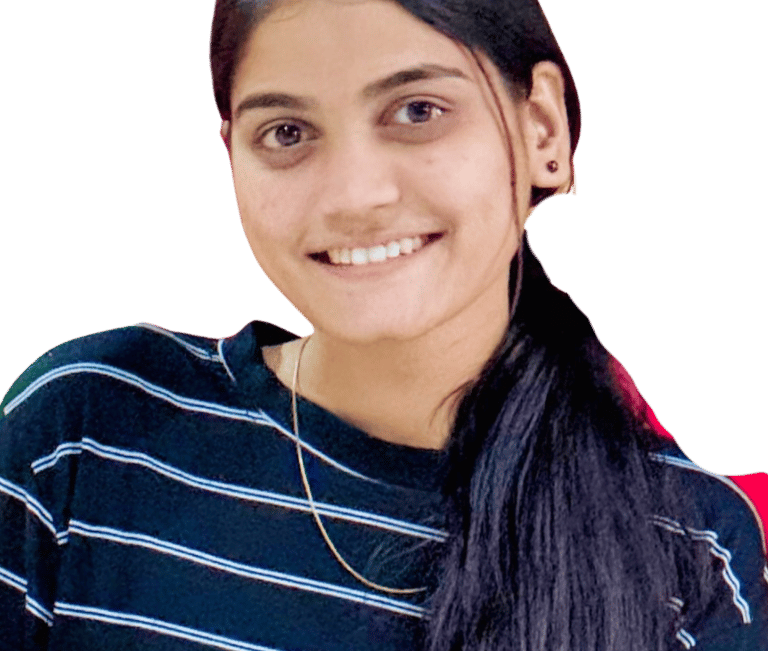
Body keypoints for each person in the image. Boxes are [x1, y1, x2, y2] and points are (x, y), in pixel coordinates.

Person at [1, 1, 766, 650]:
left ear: (542, 130)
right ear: (232, 154)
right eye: (288, 132)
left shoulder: (690, 544)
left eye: (418, 111)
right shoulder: (87, 434)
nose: (354, 195)